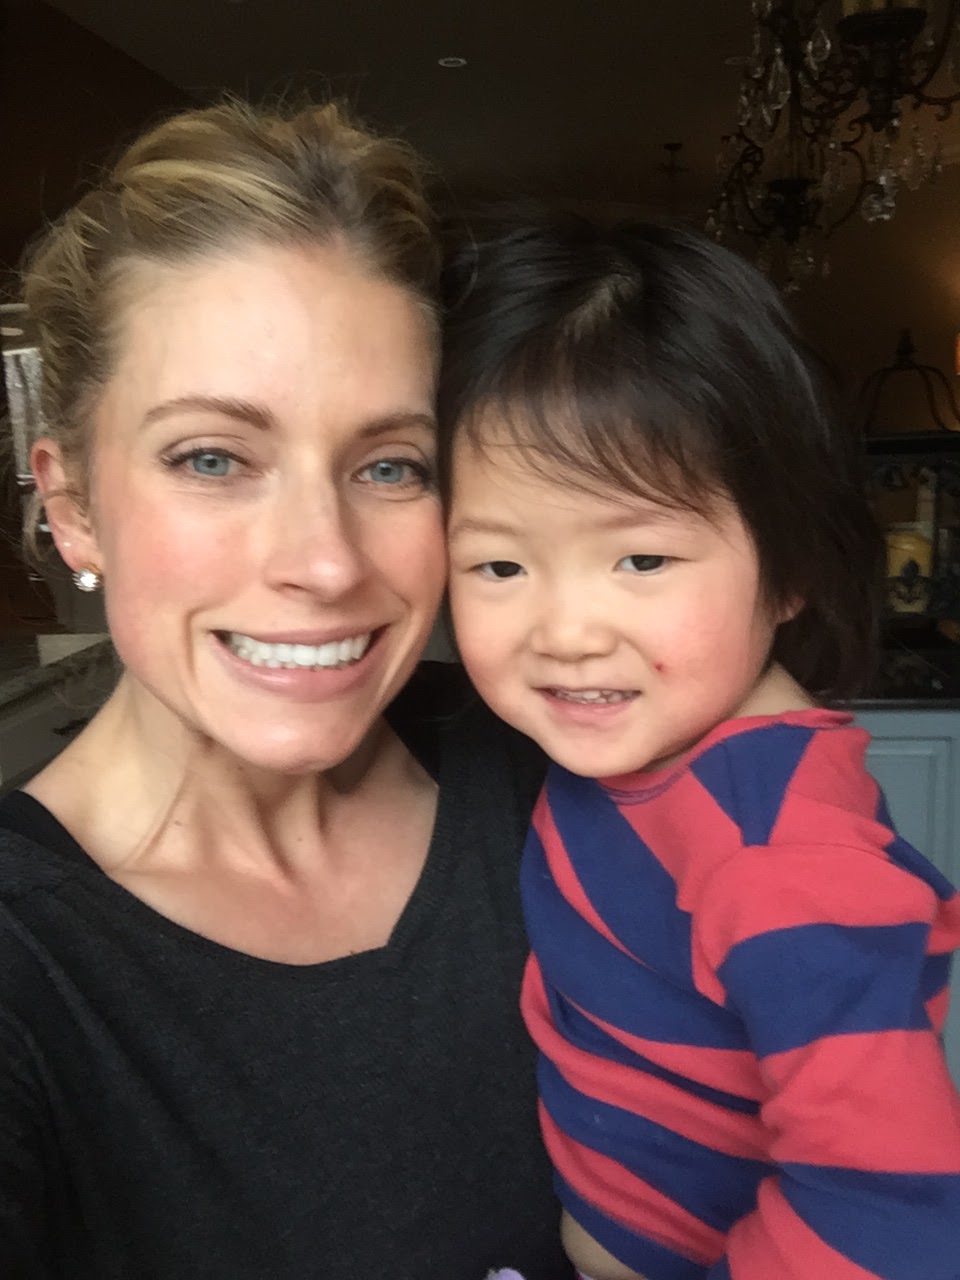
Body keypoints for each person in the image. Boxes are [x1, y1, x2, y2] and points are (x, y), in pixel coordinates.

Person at [0, 100, 573, 1279]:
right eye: (213, 457)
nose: (325, 560)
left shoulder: (547, 767)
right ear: (73, 505)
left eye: (390, 464)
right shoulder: (27, 964)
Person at [438, 211, 960, 1280]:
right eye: (499, 567)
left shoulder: (780, 856)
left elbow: (894, 1213)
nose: (566, 632)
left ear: (792, 565)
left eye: (641, 560)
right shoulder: (641, 745)